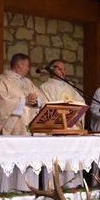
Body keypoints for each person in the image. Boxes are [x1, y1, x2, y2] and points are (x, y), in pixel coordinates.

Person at [0, 53, 43, 192]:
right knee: (11, 160)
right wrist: (24, 101)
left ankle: (29, 189)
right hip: (13, 128)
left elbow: (40, 98)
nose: (28, 68)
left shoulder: (27, 82)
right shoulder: (2, 79)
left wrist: (35, 101)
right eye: (27, 65)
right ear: (19, 64)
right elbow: (2, 102)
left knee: (28, 159)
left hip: (29, 127)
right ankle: (8, 190)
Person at [39, 59, 85, 188]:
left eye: (64, 69)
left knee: (72, 162)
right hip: (57, 133)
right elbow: (44, 108)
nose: (63, 71)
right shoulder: (45, 87)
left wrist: (73, 111)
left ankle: (74, 188)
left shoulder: (70, 86)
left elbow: (81, 102)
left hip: (72, 131)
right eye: (60, 69)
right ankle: (55, 189)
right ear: (52, 69)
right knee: (58, 163)